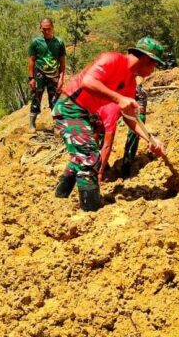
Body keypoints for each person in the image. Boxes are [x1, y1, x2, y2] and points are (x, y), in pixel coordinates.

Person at [52, 37, 166, 211]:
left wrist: (150, 139)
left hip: (86, 114)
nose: (153, 70)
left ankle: (59, 199)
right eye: (154, 64)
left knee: (81, 156)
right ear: (145, 58)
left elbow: (129, 117)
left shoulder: (129, 82)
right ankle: (91, 211)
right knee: (89, 156)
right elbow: (88, 82)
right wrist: (119, 98)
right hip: (69, 107)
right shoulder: (112, 59)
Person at [27, 19, 66, 132]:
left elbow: (62, 61)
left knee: (55, 99)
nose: (46, 31)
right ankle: (32, 123)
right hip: (39, 73)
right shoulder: (36, 42)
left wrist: (61, 78)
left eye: (48, 28)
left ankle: (57, 125)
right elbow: (31, 61)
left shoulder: (59, 42)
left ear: (52, 27)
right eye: (44, 29)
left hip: (54, 74)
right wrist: (31, 78)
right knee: (36, 97)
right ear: (40, 28)